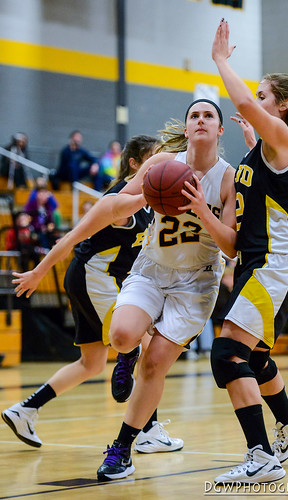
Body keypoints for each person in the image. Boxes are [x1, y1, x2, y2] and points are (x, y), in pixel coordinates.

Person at [85, 98, 236, 481]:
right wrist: (141, 197)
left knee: (155, 365)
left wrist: (202, 208)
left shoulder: (228, 177)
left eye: (209, 116)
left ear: (220, 130)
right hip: (152, 269)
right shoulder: (162, 165)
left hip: (196, 283)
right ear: (185, 128)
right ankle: (127, 353)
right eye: (194, 116)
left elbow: (232, 246)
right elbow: (119, 204)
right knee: (120, 336)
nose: (200, 120)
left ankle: (123, 448)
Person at [2, 135, 182, 455]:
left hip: (90, 279)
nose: (162, 165)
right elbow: (71, 237)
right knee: (142, 340)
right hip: (94, 277)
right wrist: (38, 273)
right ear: (136, 164)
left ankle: (26, 410)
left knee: (91, 363)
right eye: (155, 159)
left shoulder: (149, 201)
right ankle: (149, 430)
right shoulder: (120, 202)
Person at [208, 19, 288, 485]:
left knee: (227, 353)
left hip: (278, 264)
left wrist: (220, 60)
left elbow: (245, 103)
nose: (255, 101)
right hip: (256, 263)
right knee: (252, 358)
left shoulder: (285, 142)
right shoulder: (257, 155)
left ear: (282, 105)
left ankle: (261, 457)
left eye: (264, 96)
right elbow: (233, 242)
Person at [24, 185, 60, 250]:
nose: (45, 196)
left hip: (46, 232)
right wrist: (40, 227)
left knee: (56, 238)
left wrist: (50, 226)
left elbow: (50, 220)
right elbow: (27, 219)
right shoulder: (31, 205)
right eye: (42, 193)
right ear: (37, 194)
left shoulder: (48, 206)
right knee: (41, 237)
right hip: (34, 231)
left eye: (46, 193)